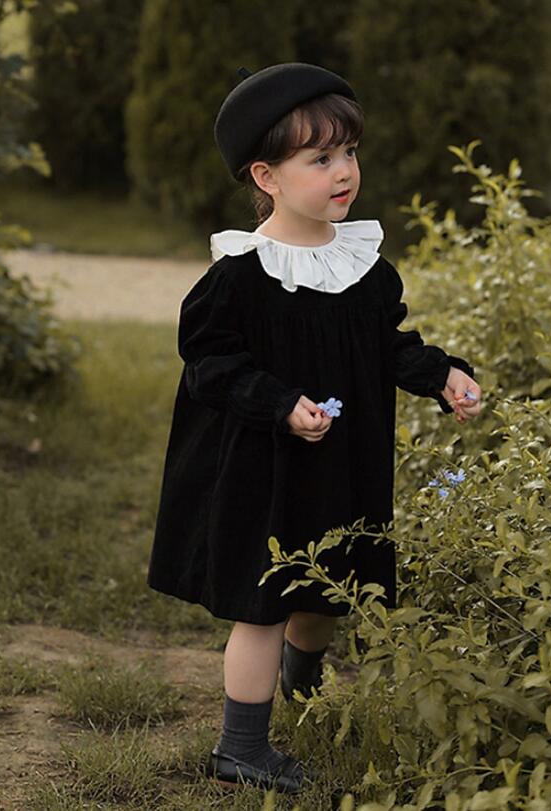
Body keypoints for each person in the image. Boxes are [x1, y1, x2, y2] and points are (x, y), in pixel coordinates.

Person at [146, 62, 482, 795]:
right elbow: (210, 363)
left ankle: (303, 693)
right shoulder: (240, 277)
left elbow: (388, 344)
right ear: (266, 176)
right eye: (321, 157)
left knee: (330, 593)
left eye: (350, 152)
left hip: (340, 464)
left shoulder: (363, 267)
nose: (344, 171)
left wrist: (441, 374)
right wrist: (278, 402)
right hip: (261, 469)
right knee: (265, 605)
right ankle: (240, 746)